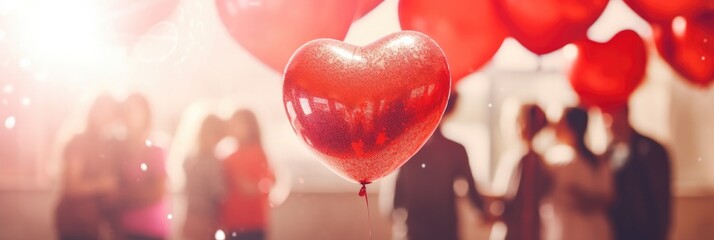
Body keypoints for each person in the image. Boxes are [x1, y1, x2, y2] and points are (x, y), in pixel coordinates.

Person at [392, 93, 486, 240]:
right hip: (445, 232)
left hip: (413, 232)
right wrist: (487, 213)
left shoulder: (406, 150)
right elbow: (474, 196)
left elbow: (393, 203)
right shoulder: (456, 150)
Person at [55, 94, 120, 240]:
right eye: (102, 111)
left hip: (93, 224)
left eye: (110, 113)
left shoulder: (108, 146)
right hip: (74, 222)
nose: (105, 117)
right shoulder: (78, 142)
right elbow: (72, 186)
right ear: (93, 111)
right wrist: (103, 184)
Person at [543, 107, 613, 240]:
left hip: (571, 231)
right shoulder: (599, 161)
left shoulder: (561, 159)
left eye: (559, 123)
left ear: (570, 127)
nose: (554, 128)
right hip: (595, 231)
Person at [607, 106, 671, 240]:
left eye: (613, 117)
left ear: (625, 115)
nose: (609, 123)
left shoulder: (649, 149)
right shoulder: (611, 151)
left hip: (644, 230)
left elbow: (659, 196)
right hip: (619, 229)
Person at [115, 93, 170, 240]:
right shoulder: (117, 147)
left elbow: (159, 191)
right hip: (122, 230)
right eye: (127, 110)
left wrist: (123, 195)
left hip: (150, 229)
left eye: (135, 110)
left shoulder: (156, 148)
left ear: (146, 114)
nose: (130, 115)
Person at [221, 109, 275, 240]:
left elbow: (264, 183)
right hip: (233, 223)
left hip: (252, 224)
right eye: (231, 123)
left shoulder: (256, 153)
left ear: (250, 127)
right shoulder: (229, 156)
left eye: (237, 124)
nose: (232, 127)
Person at [502, 104, 552, 240]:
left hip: (519, 230)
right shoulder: (541, 160)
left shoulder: (525, 159)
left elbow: (513, 199)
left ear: (523, 123)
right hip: (533, 228)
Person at [183, 114, 227, 240]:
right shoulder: (212, 162)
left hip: (191, 216)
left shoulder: (189, 160)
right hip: (206, 219)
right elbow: (219, 193)